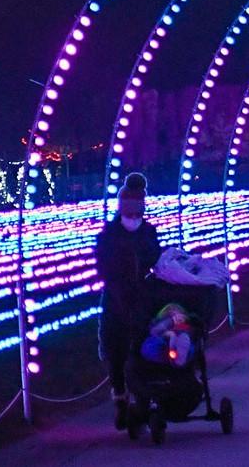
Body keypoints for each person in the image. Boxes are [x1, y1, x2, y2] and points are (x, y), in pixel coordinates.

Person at [96, 172, 162, 429]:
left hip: (137, 297)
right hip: (119, 297)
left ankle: (134, 397)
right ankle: (125, 398)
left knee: (134, 347)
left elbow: (154, 257)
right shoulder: (112, 234)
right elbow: (104, 266)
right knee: (119, 348)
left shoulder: (142, 231)